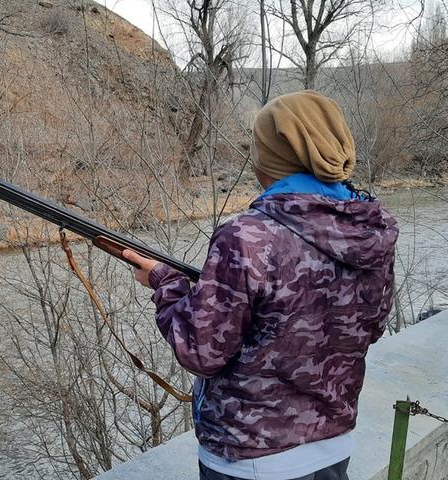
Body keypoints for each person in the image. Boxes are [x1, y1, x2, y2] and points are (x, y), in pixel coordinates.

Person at [123, 90, 398, 480]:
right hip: (332, 446)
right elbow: (370, 325)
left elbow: (200, 351)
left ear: (272, 156)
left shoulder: (246, 237)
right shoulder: (373, 230)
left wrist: (164, 283)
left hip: (251, 459)